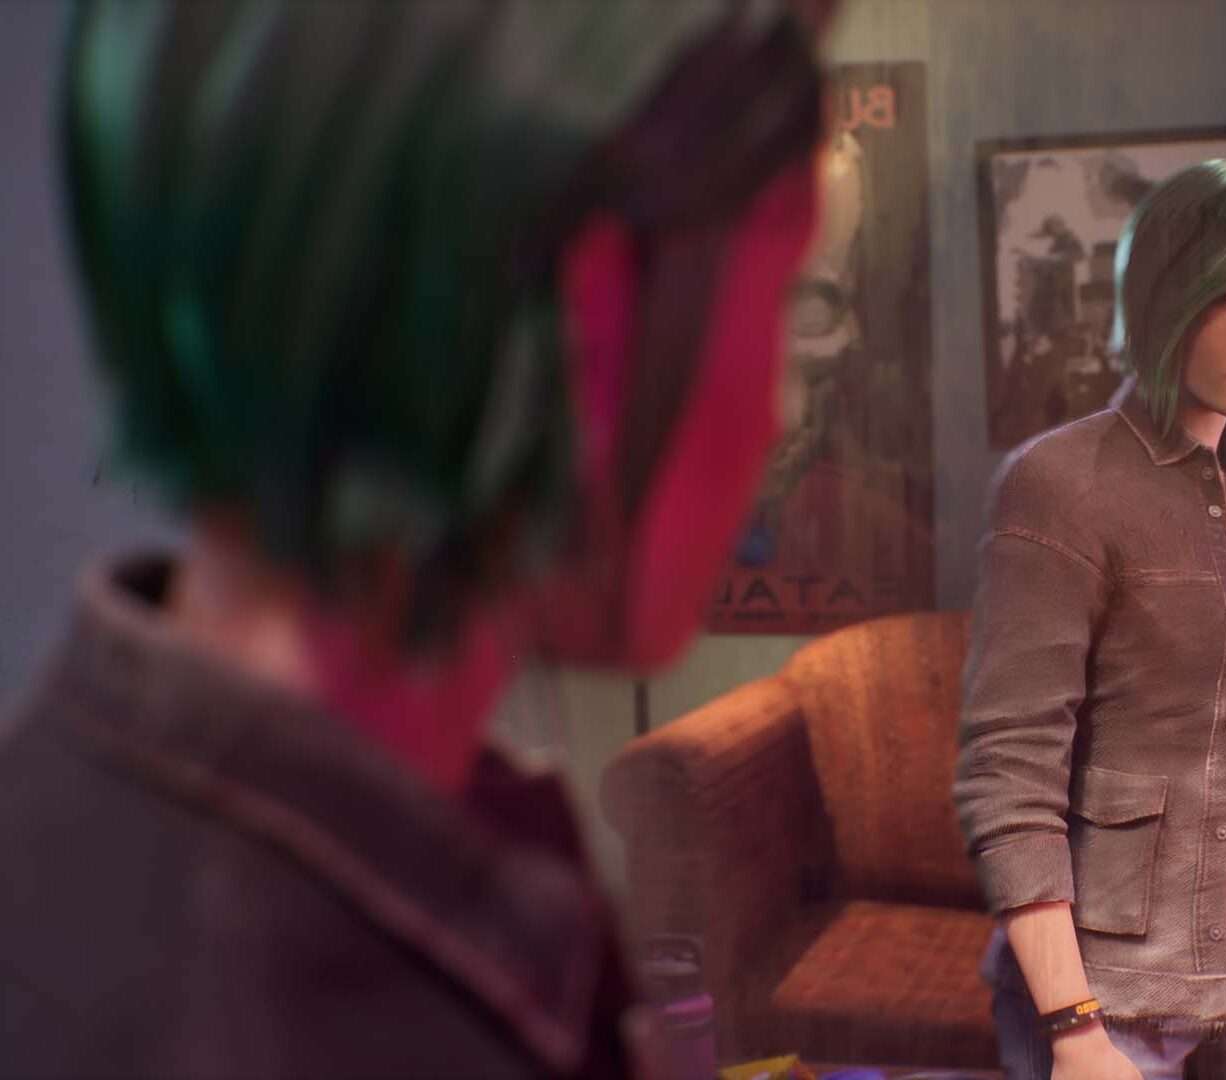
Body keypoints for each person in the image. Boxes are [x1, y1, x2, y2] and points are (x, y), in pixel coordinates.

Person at [0, 1, 827, 1075]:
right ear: (593, 315)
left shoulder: (74, 837)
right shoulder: (319, 1024)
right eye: (781, 295)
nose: (776, 412)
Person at [955, 159, 1226, 1080]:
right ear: (1169, 293)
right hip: (1108, 991)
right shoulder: (1062, 482)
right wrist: (1074, 1025)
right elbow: (1009, 770)